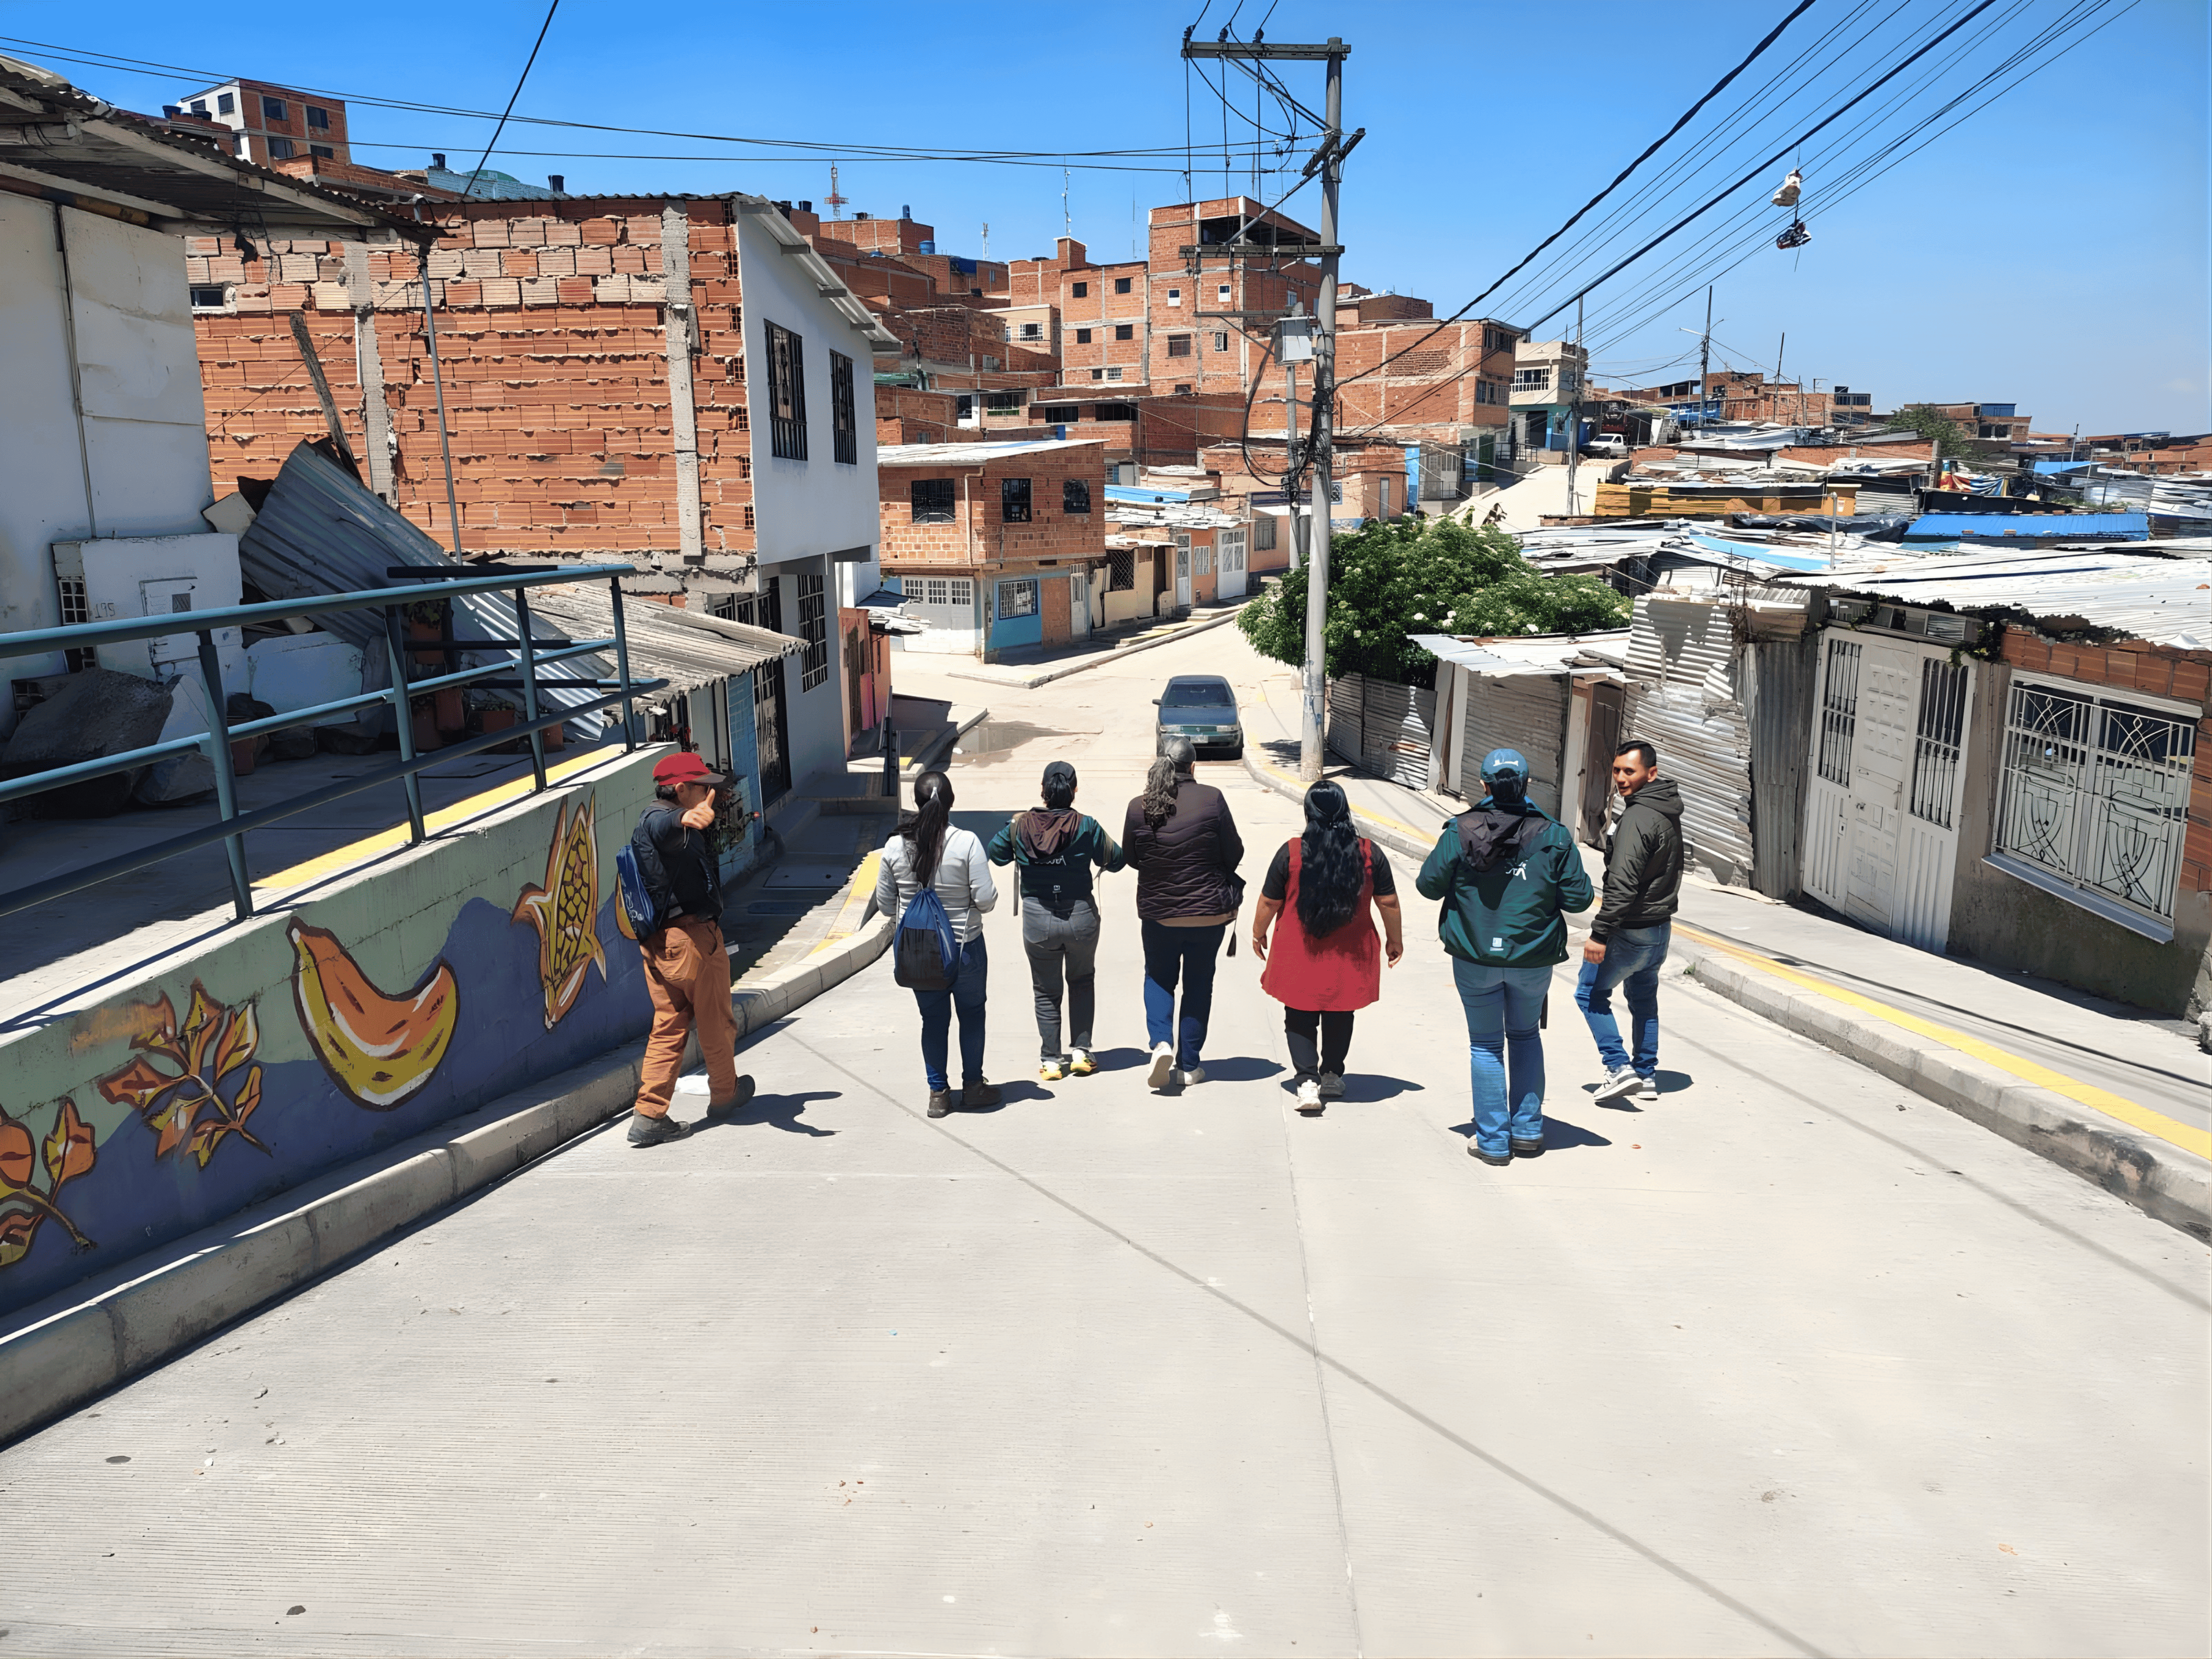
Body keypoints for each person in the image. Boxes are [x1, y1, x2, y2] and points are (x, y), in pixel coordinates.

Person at [1416, 748, 1592, 1166]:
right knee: (1526, 1036)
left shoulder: (1459, 830)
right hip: (1532, 959)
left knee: (1486, 1045)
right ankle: (1527, 1130)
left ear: (1484, 785)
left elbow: (1428, 885)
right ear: (1527, 784)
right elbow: (1580, 899)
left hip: (1475, 957)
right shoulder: (1555, 836)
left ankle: (1493, 1141)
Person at [1251, 781, 1404, 1114]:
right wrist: (1395, 940)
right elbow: (1388, 902)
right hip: (1350, 950)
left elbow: (1269, 901)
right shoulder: (1369, 853)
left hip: (1300, 948)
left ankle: (1307, 1083)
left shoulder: (1292, 852)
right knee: (1340, 1011)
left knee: (1299, 1013)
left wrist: (1258, 932)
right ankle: (1332, 1075)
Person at [627, 752, 756, 1148]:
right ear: (681, 789)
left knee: (668, 1025)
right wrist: (686, 817)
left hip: (661, 944)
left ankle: (649, 1114)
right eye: (702, 787)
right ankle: (725, 1095)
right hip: (692, 941)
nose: (708, 794)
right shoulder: (661, 820)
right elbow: (663, 825)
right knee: (717, 1020)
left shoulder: (657, 823)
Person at [987, 760, 1126, 1082]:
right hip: (1080, 916)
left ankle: (1051, 1061)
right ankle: (1081, 1052)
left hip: (1038, 918)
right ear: (1074, 791)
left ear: (1043, 791)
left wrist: (1015, 828)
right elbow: (1117, 859)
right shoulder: (1087, 826)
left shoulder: (1020, 826)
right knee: (1082, 980)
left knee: (1046, 991)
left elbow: (996, 854)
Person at [875, 769, 1000, 1118]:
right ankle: (973, 1087)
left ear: (915, 802)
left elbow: (885, 905)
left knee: (933, 1020)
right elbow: (986, 900)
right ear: (951, 802)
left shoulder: (894, 846)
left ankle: (938, 1095)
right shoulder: (967, 843)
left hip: (919, 951)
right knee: (972, 1016)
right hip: (965, 948)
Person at [1122, 735, 1244, 1090]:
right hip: (1208, 915)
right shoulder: (1212, 799)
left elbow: (1132, 858)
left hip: (1159, 915)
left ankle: (1161, 1043)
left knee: (1159, 978)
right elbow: (1234, 852)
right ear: (1193, 766)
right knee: (1198, 984)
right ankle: (1189, 1066)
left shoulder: (1139, 806)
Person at [1578, 739, 1684, 1104]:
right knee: (1643, 998)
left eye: (1630, 772)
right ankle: (1646, 1074)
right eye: (1617, 771)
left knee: (1590, 993)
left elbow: (1623, 884)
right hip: (1659, 930)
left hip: (1632, 929)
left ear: (1651, 774)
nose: (1621, 779)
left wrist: (1600, 933)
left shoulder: (1638, 818)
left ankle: (1618, 1066)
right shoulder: (1666, 810)